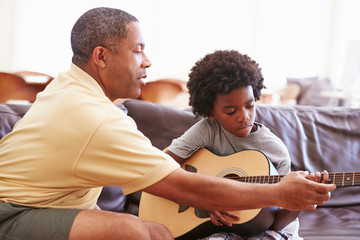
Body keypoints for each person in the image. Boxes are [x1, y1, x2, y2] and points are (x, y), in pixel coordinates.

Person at [0, 7, 335, 240]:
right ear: (101, 57)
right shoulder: (93, 116)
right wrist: (279, 192)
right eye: (138, 50)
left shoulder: (70, 86)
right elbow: (182, 185)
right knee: (131, 231)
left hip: (41, 206)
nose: (148, 61)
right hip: (11, 213)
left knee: (158, 232)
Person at [166, 50, 328, 240]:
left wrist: (302, 201)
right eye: (231, 110)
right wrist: (203, 199)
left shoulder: (275, 151)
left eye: (250, 106)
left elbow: (276, 223)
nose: (244, 117)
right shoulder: (207, 130)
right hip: (224, 230)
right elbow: (162, 167)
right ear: (211, 112)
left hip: (269, 230)